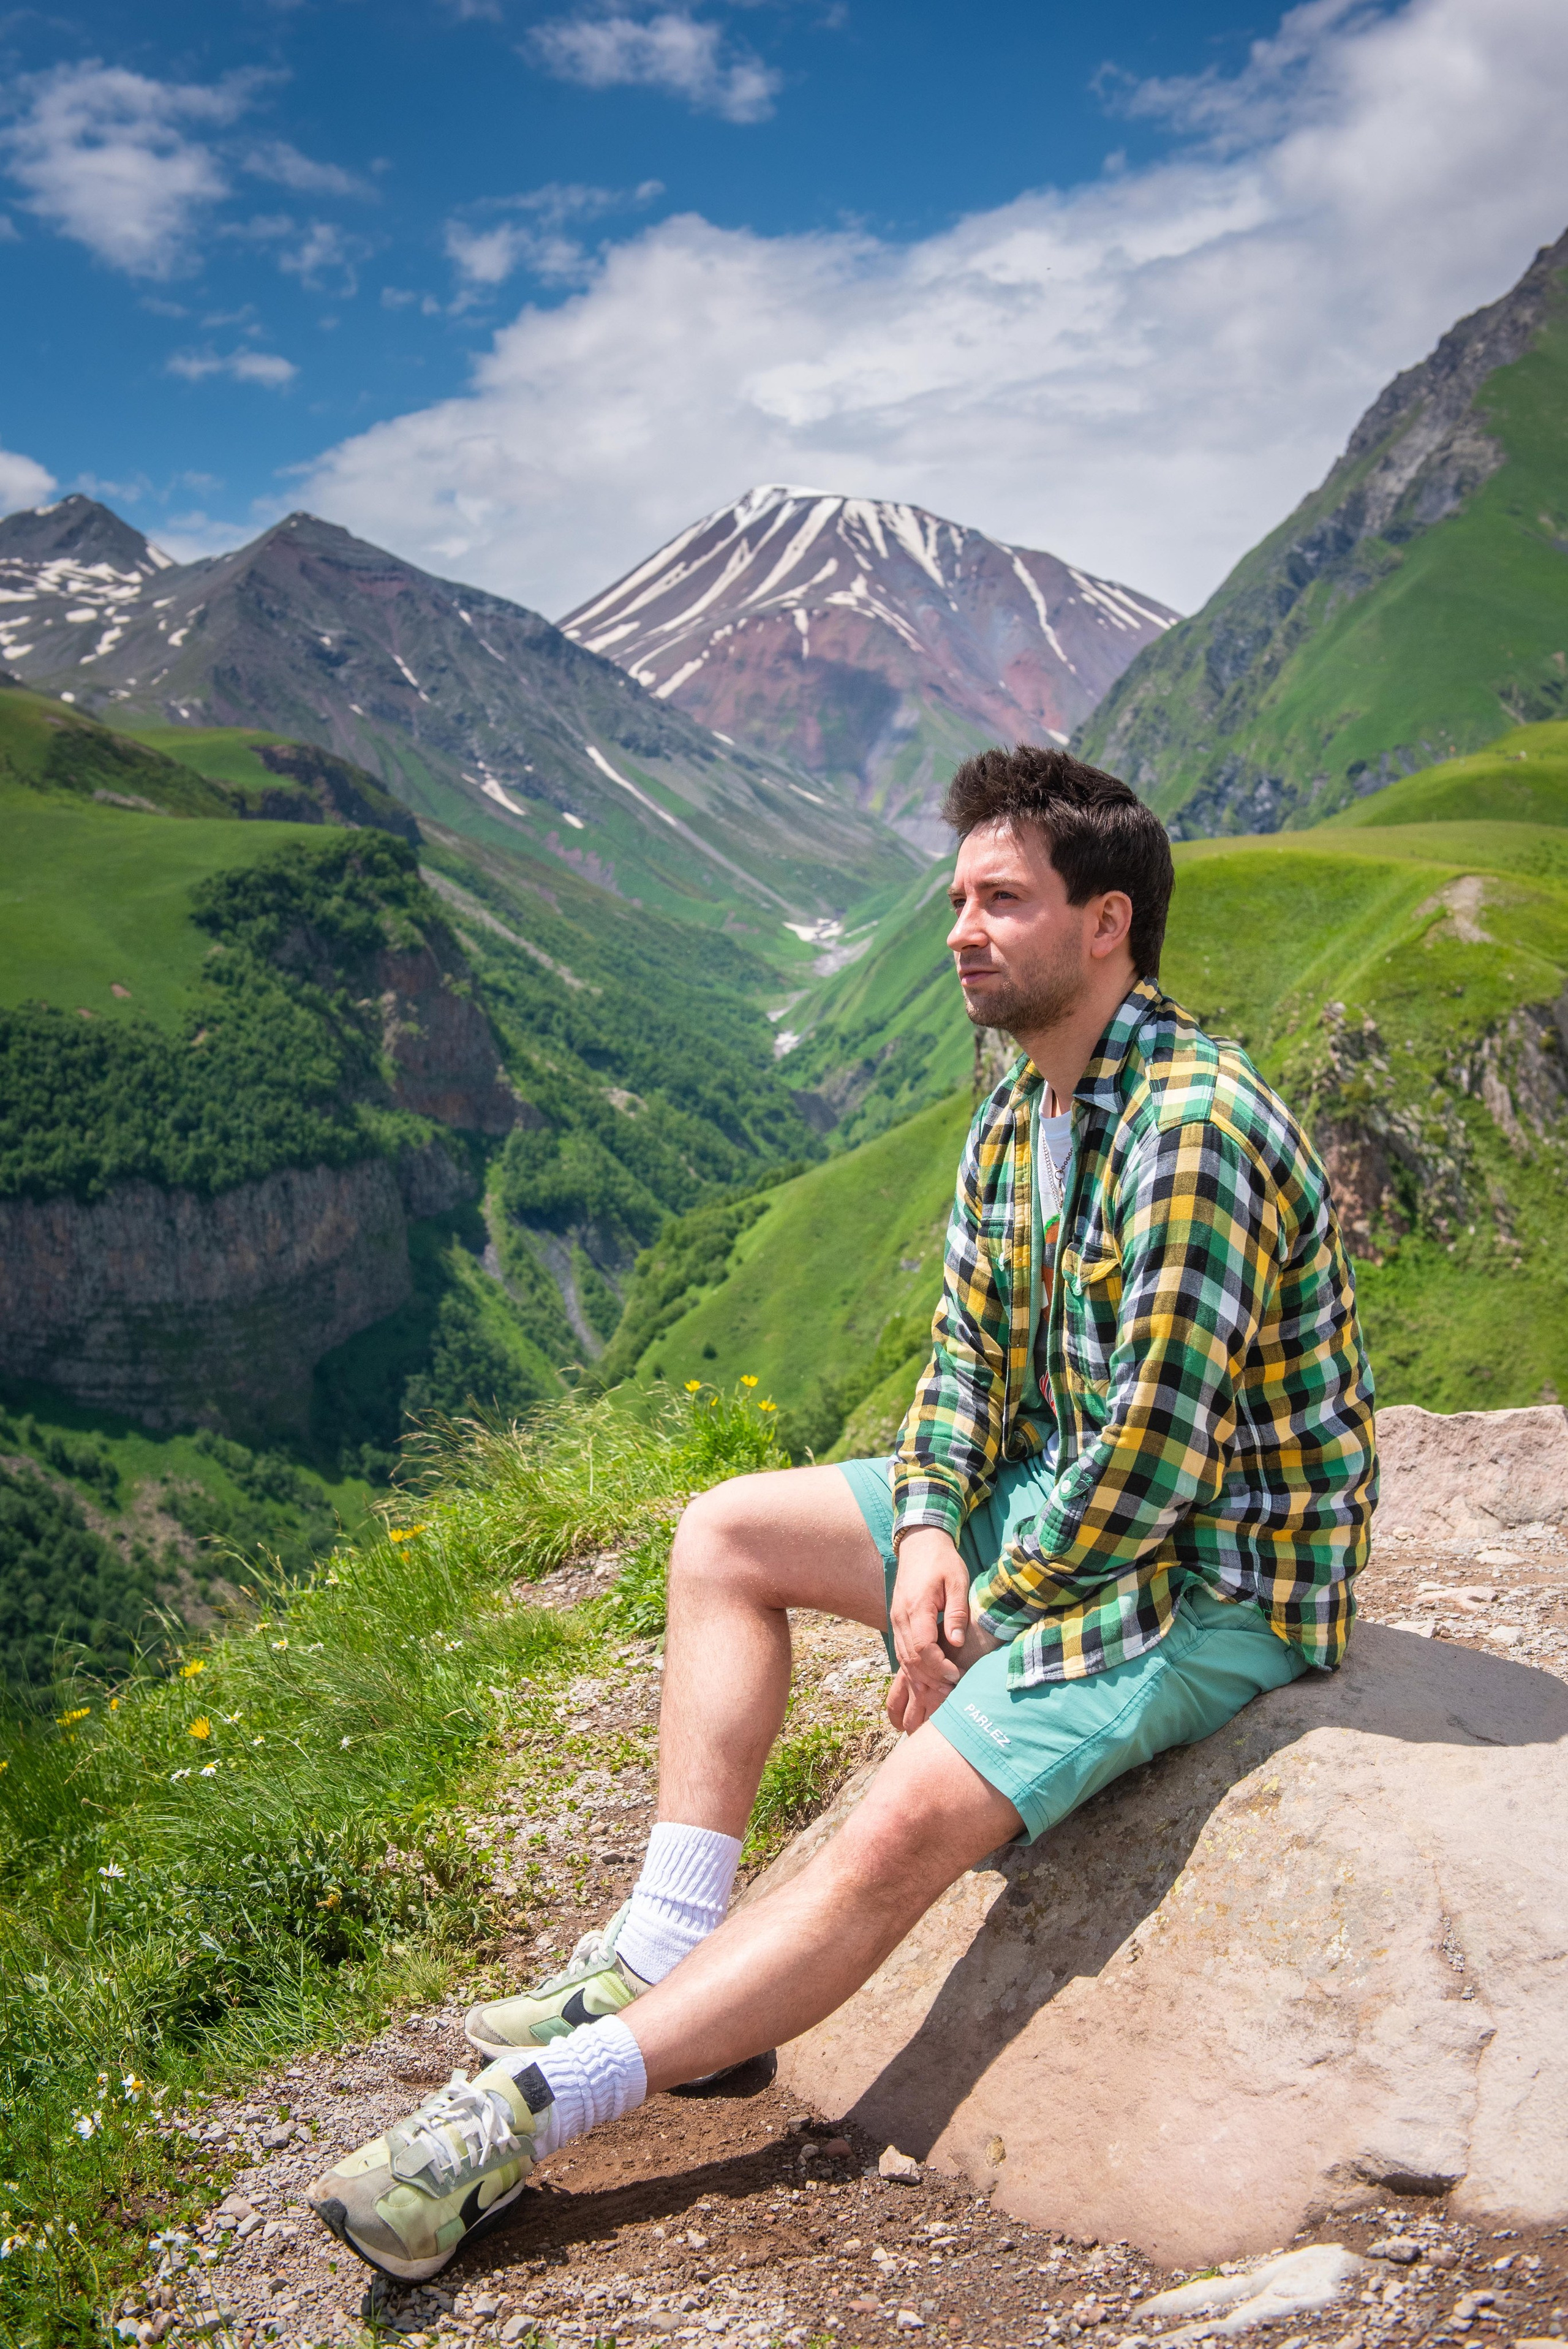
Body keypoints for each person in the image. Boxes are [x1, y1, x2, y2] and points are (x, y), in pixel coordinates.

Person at [308, 745, 1376, 2281]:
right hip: (1057, 1501)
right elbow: (959, 1362)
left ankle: (524, 2115)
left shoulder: (1187, 1128)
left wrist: (980, 1628)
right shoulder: (1026, 1105)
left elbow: (1148, 1464)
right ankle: (667, 1949)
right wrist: (936, 1532)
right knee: (722, 1532)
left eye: (999, 900)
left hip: (1212, 1571)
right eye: (955, 897)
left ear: (1106, 925)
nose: (958, 929)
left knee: (895, 1820)